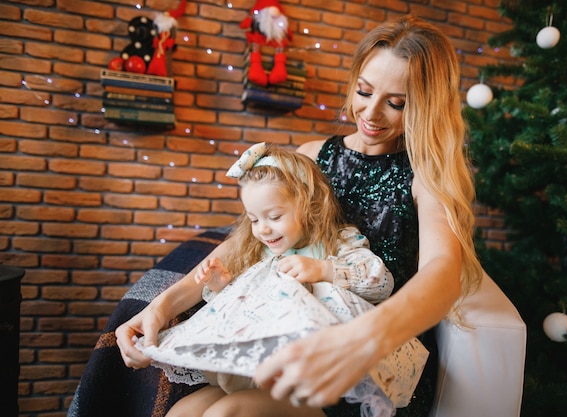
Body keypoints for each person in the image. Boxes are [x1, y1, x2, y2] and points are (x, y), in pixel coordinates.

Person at [115, 14, 483, 417]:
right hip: (287, 336)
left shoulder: (426, 175)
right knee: (182, 413)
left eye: (397, 103)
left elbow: (444, 271)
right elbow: (245, 244)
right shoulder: (312, 155)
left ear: (426, 106)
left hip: (367, 365)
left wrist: (362, 340)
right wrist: (161, 307)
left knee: (227, 414)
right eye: (363, 91)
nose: (371, 113)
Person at [132, 142, 428, 417]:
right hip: (252, 374)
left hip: (309, 385)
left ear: (309, 205)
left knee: (226, 413)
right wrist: (221, 286)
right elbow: (249, 308)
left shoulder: (335, 244)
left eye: (274, 216)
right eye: (254, 219)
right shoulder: (262, 254)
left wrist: (324, 270)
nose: (262, 229)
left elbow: (381, 283)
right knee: (183, 412)